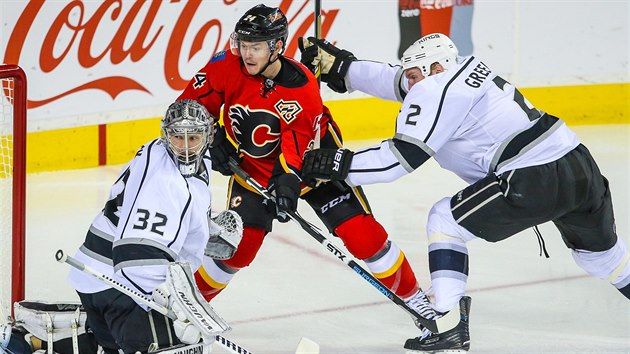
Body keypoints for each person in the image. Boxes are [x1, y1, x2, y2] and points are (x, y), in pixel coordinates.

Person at [298, 33, 630, 352]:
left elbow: (396, 162)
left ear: (436, 70)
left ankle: (448, 320)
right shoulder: (460, 68)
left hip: (533, 177)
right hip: (577, 162)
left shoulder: (436, 89)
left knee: (445, 221)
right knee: (605, 259)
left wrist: (338, 164)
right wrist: (342, 68)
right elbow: (396, 80)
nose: (408, 84)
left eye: (414, 76)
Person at [177, 2, 435, 321]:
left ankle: (416, 301)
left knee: (363, 236)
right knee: (237, 247)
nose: (247, 54)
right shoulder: (224, 66)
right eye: (243, 44)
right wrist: (210, 138)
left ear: (277, 47)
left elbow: (296, 149)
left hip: (316, 165)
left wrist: (287, 185)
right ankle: (185, 308)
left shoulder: (300, 88)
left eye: (256, 46)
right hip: (253, 169)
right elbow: (188, 107)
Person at [66, 100, 241, 353]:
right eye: (177, 137)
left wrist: (205, 231)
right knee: (184, 344)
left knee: (112, 345)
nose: (185, 147)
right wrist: (177, 306)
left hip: (96, 274)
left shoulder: (163, 153)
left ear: (208, 136)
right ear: (165, 134)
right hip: (115, 283)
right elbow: (136, 256)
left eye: (193, 137)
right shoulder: (163, 179)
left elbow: (174, 213)